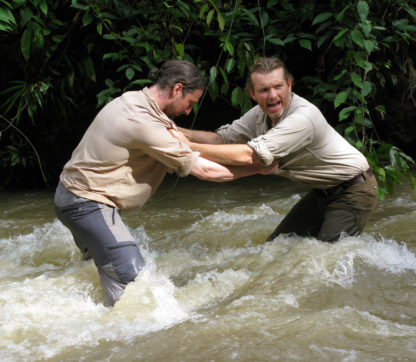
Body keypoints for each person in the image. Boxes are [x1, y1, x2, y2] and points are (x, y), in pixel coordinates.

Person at [54, 59, 278, 307]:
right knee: (134, 293)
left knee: (100, 270)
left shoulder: (136, 101)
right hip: (86, 204)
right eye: (190, 103)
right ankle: (119, 339)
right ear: (177, 89)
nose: (188, 111)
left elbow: (194, 139)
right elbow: (205, 171)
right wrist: (257, 168)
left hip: (70, 197)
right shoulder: (144, 122)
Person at [175, 56, 378, 243]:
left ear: (289, 85)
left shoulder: (303, 117)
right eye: (264, 90)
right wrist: (174, 132)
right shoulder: (258, 115)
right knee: (276, 247)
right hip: (321, 193)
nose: (272, 95)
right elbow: (220, 139)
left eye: (278, 86)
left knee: (326, 259)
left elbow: (249, 155)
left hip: (353, 190)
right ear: (253, 94)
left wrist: (185, 146)